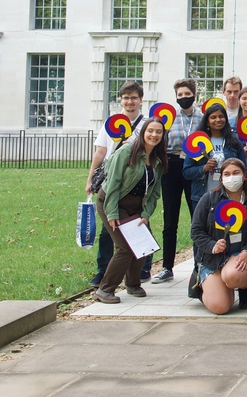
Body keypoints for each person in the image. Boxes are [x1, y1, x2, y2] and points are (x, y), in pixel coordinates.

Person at [91, 117, 167, 303]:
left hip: (136, 208)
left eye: (158, 132)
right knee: (125, 248)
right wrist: (112, 213)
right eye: (150, 131)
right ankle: (105, 289)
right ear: (143, 133)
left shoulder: (158, 160)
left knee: (143, 244)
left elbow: (155, 192)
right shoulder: (127, 151)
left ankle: (132, 284)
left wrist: (146, 214)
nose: (154, 135)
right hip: (112, 202)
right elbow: (114, 183)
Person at [86, 80, 146, 287]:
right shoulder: (110, 123)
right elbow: (101, 152)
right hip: (112, 181)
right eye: (126, 98)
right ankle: (103, 271)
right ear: (121, 100)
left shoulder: (145, 125)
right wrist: (90, 178)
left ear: (141, 99)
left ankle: (138, 272)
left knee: (138, 224)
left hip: (135, 183)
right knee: (108, 230)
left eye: (134, 98)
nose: (130, 102)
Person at [190, 158, 247, 314]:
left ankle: (242, 287)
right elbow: (196, 231)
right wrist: (213, 245)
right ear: (221, 177)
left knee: (234, 275)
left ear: (244, 175)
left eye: (236, 173)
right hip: (212, 259)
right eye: (227, 174)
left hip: (239, 255)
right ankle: (202, 286)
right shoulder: (209, 199)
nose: (232, 177)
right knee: (221, 307)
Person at [151, 78, 202, 284]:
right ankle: (167, 267)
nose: (183, 98)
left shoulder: (202, 117)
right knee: (170, 219)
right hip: (171, 167)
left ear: (194, 95)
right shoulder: (169, 118)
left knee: (196, 216)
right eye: (179, 95)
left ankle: (199, 264)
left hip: (194, 167)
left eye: (186, 94)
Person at [182, 103, 245, 207]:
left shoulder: (235, 142)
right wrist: (204, 168)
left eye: (221, 116)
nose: (218, 120)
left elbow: (243, 169)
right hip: (202, 195)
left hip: (229, 194)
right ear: (207, 121)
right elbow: (186, 172)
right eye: (213, 117)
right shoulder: (197, 142)